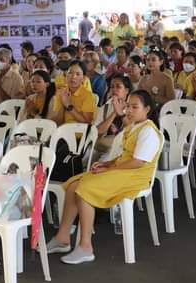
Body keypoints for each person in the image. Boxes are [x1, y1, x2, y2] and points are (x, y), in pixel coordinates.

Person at [47, 90, 163, 264]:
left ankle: (86, 247)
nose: (129, 111)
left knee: (84, 189)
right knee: (73, 185)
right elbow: (124, 157)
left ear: (147, 109)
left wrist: (109, 169)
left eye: (135, 107)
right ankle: (62, 238)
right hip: (122, 171)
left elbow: (137, 162)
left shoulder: (148, 131)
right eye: (128, 106)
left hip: (135, 176)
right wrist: (107, 165)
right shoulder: (133, 127)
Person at [48, 61, 97, 125]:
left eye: (78, 74)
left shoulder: (88, 95)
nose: (73, 77)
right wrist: (63, 104)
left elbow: (87, 122)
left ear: (83, 78)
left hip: (80, 129)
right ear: (65, 76)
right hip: (63, 129)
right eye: (70, 73)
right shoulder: (61, 92)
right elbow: (58, 122)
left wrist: (68, 105)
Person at [95, 75, 132, 158]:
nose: (114, 90)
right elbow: (98, 132)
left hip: (124, 151)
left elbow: (132, 131)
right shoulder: (105, 108)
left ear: (126, 90)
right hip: (103, 149)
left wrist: (121, 113)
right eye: (112, 87)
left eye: (118, 87)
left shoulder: (132, 108)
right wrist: (115, 112)